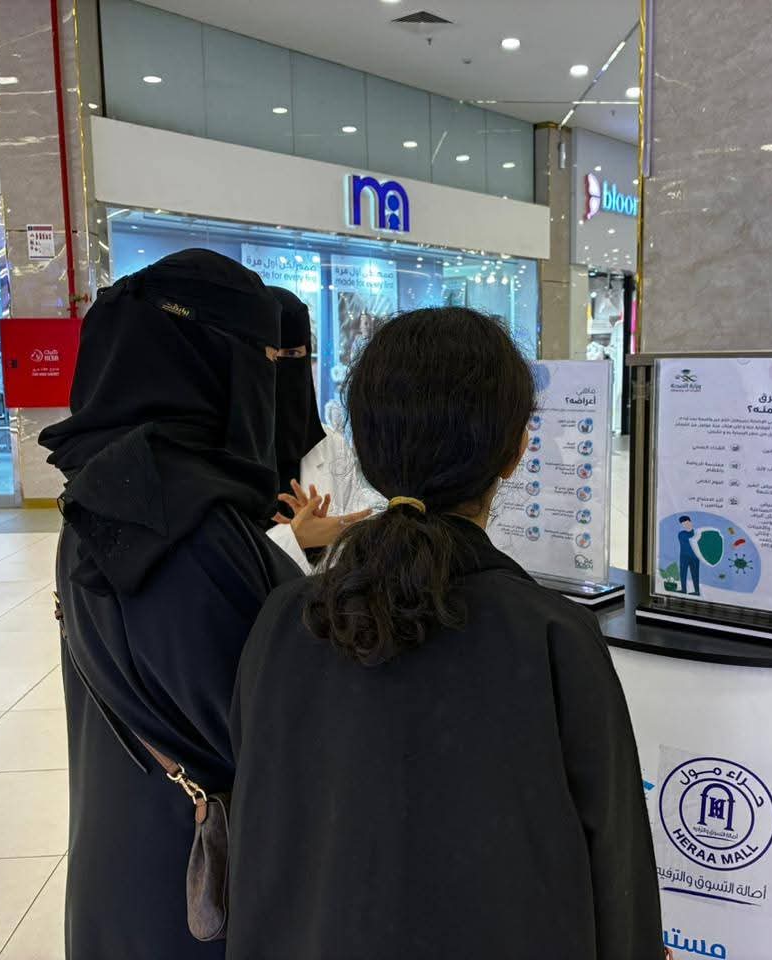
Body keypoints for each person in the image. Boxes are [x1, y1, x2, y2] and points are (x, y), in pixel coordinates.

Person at [229, 307, 663, 960]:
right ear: (514, 452)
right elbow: (615, 868)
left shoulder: (286, 620)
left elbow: (259, 837)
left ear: (367, 451)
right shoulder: (552, 637)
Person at [40, 249, 301, 960]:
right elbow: (264, 737)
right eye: (261, 359)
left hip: (130, 858)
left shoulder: (107, 486)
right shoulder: (181, 525)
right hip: (200, 898)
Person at [264, 286, 377, 571]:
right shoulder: (218, 449)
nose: (281, 366)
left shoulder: (331, 444)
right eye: (270, 355)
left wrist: (322, 546)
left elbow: (356, 532)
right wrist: (294, 539)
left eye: (293, 353)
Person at [678, 515, 701, 595]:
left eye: (687, 523)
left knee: (695, 574)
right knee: (683, 573)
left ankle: (697, 591)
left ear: (691, 522)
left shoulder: (697, 533)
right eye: (683, 524)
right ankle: (683, 589)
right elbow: (690, 540)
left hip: (695, 557)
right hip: (684, 557)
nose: (686, 525)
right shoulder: (681, 534)